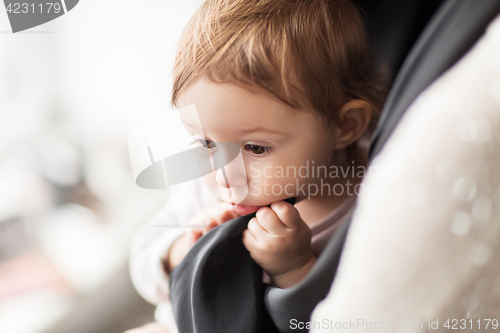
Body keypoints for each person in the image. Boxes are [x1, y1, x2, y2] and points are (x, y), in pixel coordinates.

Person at [126, 0, 385, 332]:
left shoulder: (365, 208)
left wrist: (294, 269)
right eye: (206, 143)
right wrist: (183, 250)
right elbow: (144, 263)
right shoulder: (205, 183)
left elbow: (338, 320)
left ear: (345, 127)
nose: (225, 176)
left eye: (256, 148)